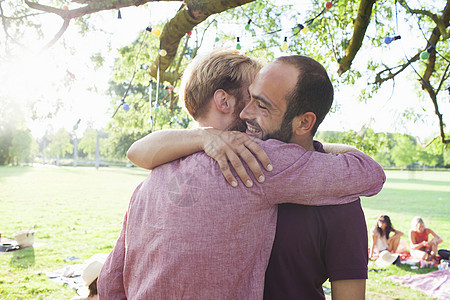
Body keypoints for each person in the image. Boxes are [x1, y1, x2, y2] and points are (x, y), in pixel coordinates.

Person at [98, 49, 385, 299]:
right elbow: (369, 173)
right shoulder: (253, 160)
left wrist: (199, 137)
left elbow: (111, 281)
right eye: (251, 98)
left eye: (260, 104)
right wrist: (323, 149)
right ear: (224, 102)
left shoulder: (150, 182)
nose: (249, 112)